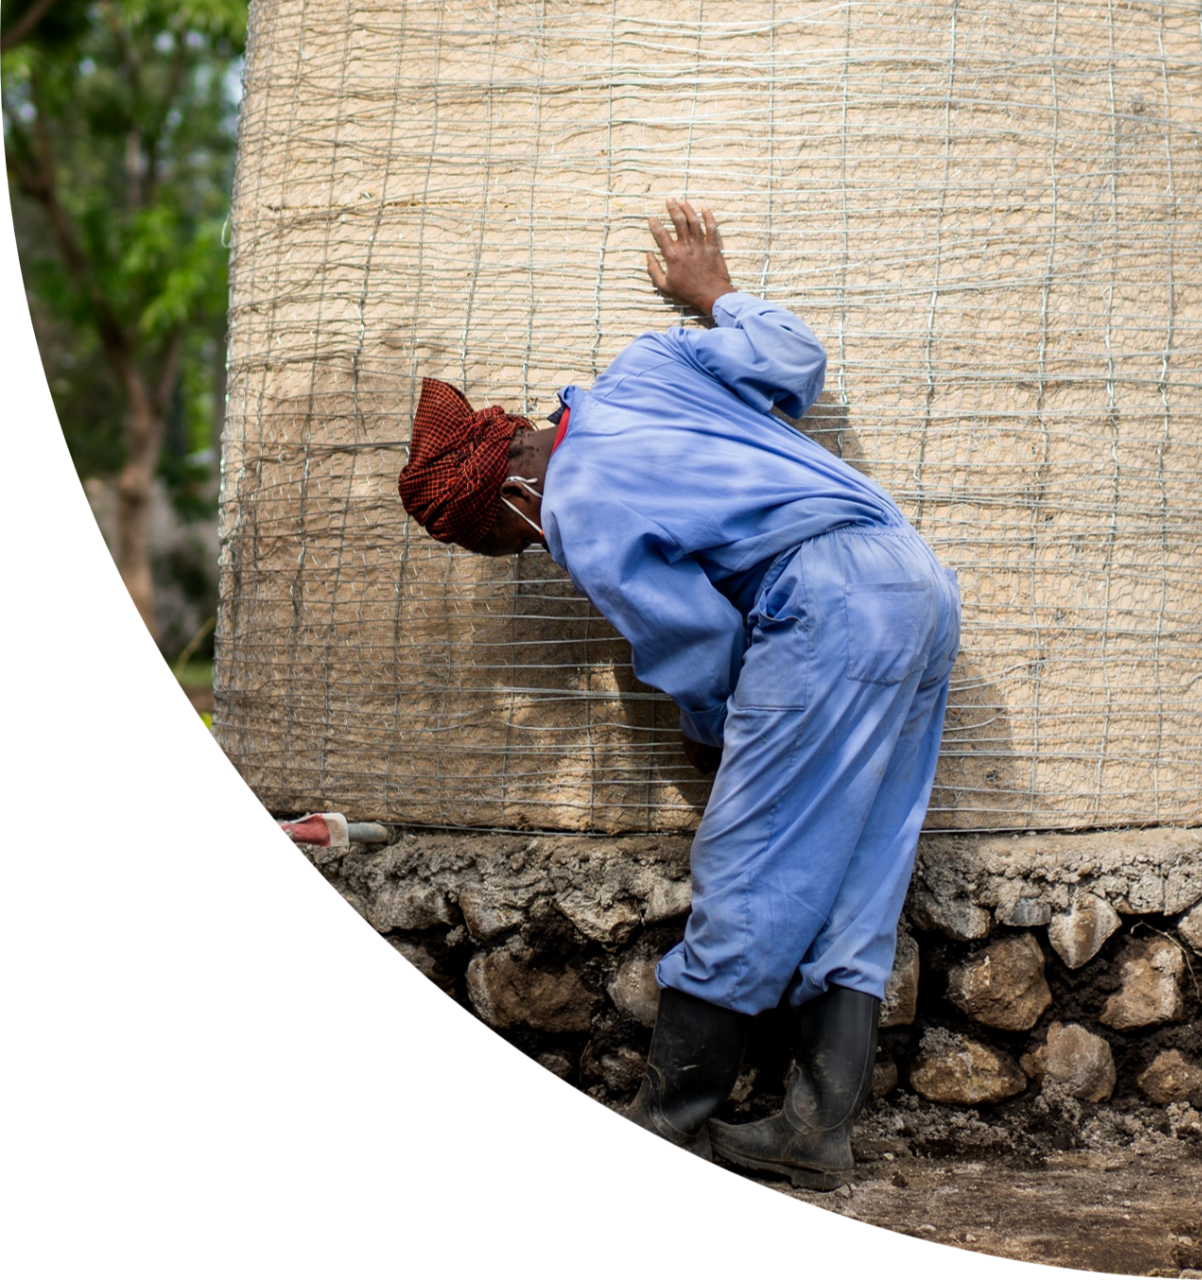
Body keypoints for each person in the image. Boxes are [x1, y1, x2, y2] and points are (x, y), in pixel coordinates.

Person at [397, 199, 961, 1185]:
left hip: (823, 606)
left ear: (513, 494)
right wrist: (719, 294)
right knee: (863, 858)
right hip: (912, 581)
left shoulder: (576, 505)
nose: (524, 557)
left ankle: (672, 1121)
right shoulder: (649, 367)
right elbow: (794, 358)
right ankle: (815, 1130)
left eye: (501, 546)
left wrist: (711, 726)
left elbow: (698, 636)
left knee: (750, 863)